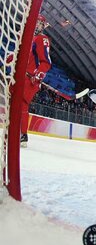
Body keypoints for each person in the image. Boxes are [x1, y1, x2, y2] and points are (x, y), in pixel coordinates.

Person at [20, 14, 52, 147]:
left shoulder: (42, 39)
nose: (36, 24)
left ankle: (23, 134)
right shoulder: (29, 37)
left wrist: (38, 75)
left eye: (39, 23)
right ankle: (18, 131)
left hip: (30, 79)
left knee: (21, 105)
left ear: (43, 25)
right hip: (21, 77)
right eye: (36, 21)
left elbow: (46, 62)